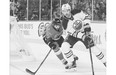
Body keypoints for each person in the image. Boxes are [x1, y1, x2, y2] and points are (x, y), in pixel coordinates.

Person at [61, 3, 106, 67]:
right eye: (64, 11)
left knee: (93, 47)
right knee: (64, 46)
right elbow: (73, 33)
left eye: (67, 10)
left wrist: (87, 26)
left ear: (70, 10)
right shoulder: (64, 23)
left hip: (84, 31)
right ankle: (72, 61)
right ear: (62, 12)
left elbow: (86, 17)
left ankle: (105, 61)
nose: (66, 13)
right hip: (73, 35)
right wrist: (83, 37)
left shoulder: (77, 12)